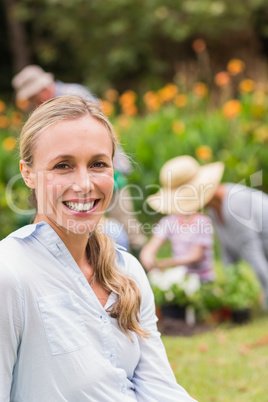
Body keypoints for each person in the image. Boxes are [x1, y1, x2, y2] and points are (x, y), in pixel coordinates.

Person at [0, 95, 196, 401]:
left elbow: (158, 388)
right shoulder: (10, 272)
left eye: (98, 164)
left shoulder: (126, 269)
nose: (84, 184)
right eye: (63, 165)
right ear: (28, 174)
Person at [12, 64, 147, 255]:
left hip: (113, 168)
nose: (32, 102)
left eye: (33, 96)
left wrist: (104, 166)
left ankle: (140, 258)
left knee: (124, 220)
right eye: (62, 165)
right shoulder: (42, 109)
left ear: (42, 89)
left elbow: (99, 131)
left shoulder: (73, 94)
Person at [140, 155, 224, 283]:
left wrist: (167, 263)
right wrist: (147, 256)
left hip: (203, 280)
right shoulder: (169, 222)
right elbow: (152, 246)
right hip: (182, 279)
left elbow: (196, 256)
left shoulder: (202, 222)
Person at [206, 180, 268, 308]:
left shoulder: (235, 203)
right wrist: (230, 284)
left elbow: (251, 249)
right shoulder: (213, 209)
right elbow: (227, 247)